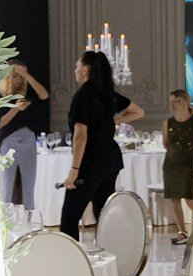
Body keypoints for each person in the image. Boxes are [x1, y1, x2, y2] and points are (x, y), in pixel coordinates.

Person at [59, 50, 140, 238]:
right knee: (103, 212)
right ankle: (111, 253)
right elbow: (138, 111)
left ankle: (72, 259)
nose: (75, 70)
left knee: (70, 216)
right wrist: (111, 122)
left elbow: (80, 136)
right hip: (110, 158)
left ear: (85, 70)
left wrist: (74, 170)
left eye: (77, 66)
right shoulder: (108, 94)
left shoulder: (83, 96)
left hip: (92, 160)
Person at [0, 61, 49, 210]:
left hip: (28, 139)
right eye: (12, 75)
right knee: (5, 185)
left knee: (29, 185)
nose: (15, 78)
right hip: (8, 141)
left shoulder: (29, 95)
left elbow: (44, 95)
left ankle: (31, 220)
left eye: (18, 76)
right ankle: (3, 221)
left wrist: (25, 74)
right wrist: (15, 108)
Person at [161, 89, 193, 237]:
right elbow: (166, 144)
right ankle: (182, 231)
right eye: (172, 102)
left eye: (177, 101)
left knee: (189, 199)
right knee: (174, 200)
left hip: (188, 166)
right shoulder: (167, 123)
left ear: (185, 102)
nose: (174, 104)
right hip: (171, 165)